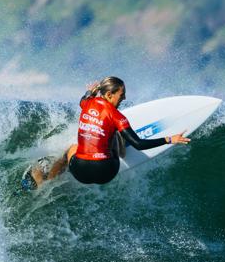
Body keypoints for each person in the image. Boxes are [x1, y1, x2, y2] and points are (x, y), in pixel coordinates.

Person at [29, 76, 189, 187]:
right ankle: (120, 149)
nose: (124, 98)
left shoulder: (87, 103)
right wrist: (169, 139)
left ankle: (47, 181)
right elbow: (139, 144)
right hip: (106, 172)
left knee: (70, 150)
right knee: (114, 131)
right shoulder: (117, 116)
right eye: (121, 94)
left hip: (81, 172)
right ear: (109, 94)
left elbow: (82, 99)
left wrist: (90, 91)